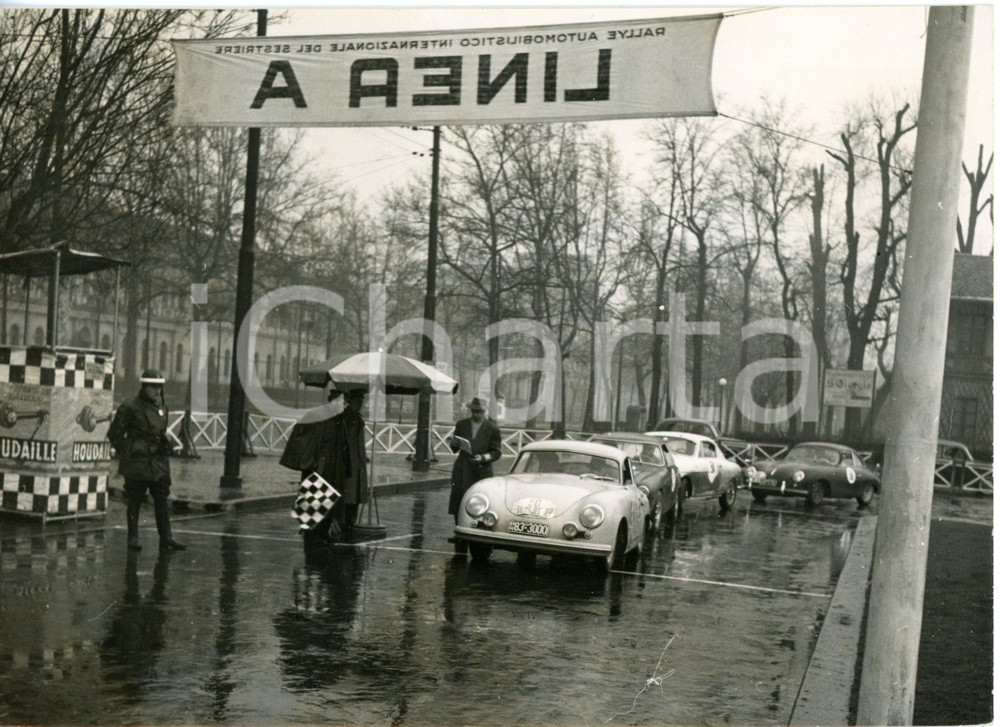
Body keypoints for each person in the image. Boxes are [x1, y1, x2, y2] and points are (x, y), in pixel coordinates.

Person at [107, 369, 186, 552]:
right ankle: (133, 537)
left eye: (160, 387)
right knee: (135, 499)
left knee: (161, 498)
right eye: (153, 387)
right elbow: (115, 434)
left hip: (157, 461)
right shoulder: (130, 407)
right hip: (138, 461)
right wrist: (128, 450)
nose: (157, 391)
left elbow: (160, 431)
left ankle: (167, 537)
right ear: (144, 387)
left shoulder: (162, 407)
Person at [281, 388, 346, 549]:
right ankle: (311, 534)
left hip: (329, 466)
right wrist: (312, 461)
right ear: (335, 401)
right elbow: (304, 440)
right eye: (343, 402)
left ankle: (321, 533)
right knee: (314, 499)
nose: (345, 405)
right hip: (317, 467)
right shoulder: (319, 416)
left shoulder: (336, 418)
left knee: (327, 500)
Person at [447, 397, 502, 554]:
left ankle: (479, 540)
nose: (476, 415)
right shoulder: (462, 424)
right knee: (459, 501)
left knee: (480, 504)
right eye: (474, 411)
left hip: (480, 471)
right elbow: (454, 448)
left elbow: (496, 452)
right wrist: (455, 444)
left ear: (485, 411)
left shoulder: (492, 429)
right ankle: (460, 535)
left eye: (479, 412)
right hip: (462, 468)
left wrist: (483, 458)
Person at [330, 388, 369, 533]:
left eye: (361, 402)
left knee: (355, 499)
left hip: (357, 467)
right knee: (346, 499)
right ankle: (343, 527)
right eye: (357, 401)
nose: (360, 405)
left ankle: (349, 526)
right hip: (348, 467)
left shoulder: (357, 419)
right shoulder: (344, 419)